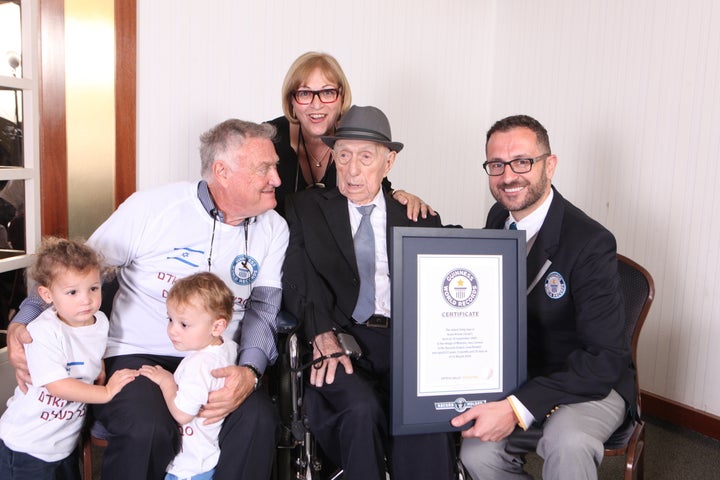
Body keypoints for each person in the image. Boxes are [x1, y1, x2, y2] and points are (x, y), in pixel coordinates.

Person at [7, 119, 289, 480]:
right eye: (264, 168)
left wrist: (249, 373)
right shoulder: (152, 208)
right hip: (138, 353)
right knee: (148, 427)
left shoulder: (273, 228)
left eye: (275, 167)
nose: (277, 179)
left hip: (216, 358)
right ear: (223, 171)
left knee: (258, 419)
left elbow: (264, 309)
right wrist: (24, 319)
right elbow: (71, 270)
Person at [451, 115, 636, 480]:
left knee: (567, 442)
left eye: (522, 162)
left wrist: (517, 407)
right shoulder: (498, 217)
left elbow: (605, 358)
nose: (508, 176)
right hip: (522, 378)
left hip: (587, 383)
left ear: (549, 165)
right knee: (476, 452)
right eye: (496, 165)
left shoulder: (591, 243)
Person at [282, 105, 457, 480]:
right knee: (360, 409)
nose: (352, 169)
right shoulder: (305, 209)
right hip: (341, 339)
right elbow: (296, 279)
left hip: (403, 343)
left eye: (366, 157)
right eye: (343, 155)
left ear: (388, 162)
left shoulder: (417, 216)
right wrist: (320, 332)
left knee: (420, 411)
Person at [0, 237, 138, 480]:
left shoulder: (100, 321)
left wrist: (99, 364)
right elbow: (57, 386)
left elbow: (92, 347)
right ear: (47, 294)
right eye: (72, 292)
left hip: (62, 442)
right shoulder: (43, 331)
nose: (86, 299)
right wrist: (106, 392)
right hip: (27, 446)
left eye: (93, 288)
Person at [268, 51, 435, 220]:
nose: (316, 105)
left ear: (342, 97)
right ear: (291, 100)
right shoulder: (269, 138)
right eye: (304, 93)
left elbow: (374, 183)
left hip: (334, 244)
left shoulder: (352, 135)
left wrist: (400, 196)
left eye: (327, 92)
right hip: (278, 242)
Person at [140, 272, 239, 480]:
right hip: (205, 456)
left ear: (217, 326)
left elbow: (183, 415)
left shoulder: (200, 365)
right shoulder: (226, 347)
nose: (172, 330)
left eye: (183, 324)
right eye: (170, 319)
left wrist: (166, 381)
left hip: (188, 466)